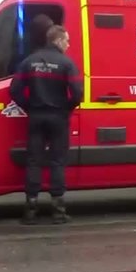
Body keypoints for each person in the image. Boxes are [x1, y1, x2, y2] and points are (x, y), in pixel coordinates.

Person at [10, 24, 83, 225]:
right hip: (58, 117)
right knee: (57, 161)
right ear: (57, 40)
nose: (68, 44)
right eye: (67, 40)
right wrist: (66, 108)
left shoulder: (29, 61)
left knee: (34, 161)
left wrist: (29, 106)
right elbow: (78, 93)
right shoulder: (66, 64)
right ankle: (58, 210)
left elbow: (15, 90)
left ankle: (31, 208)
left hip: (36, 116)